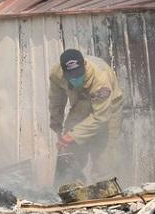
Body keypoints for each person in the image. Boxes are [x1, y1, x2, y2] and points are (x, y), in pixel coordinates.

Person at [48, 49, 123, 184]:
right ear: (64, 73)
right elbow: (56, 100)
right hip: (80, 103)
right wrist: (56, 124)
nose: (76, 79)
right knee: (70, 151)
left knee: (103, 153)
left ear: (85, 66)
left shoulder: (101, 78)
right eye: (72, 76)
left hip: (107, 108)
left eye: (78, 75)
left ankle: (103, 189)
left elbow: (100, 118)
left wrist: (72, 136)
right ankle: (69, 186)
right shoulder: (56, 74)